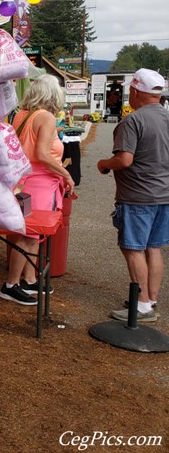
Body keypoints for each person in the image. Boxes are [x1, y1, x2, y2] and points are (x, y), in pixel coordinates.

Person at [97, 68, 169, 323]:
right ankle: (151, 298)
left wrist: (105, 163)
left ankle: (141, 306)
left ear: (136, 91)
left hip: (138, 195)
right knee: (154, 248)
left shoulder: (132, 121)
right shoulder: (166, 117)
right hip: (164, 195)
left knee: (134, 248)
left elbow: (125, 159)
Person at [1, 74, 75, 305]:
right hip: (41, 183)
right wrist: (66, 173)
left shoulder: (21, 115)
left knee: (32, 234)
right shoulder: (46, 117)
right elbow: (42, 155)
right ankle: (10, 285)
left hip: (24, 180)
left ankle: (29, 278)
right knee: (29, 235)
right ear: (53, 95)